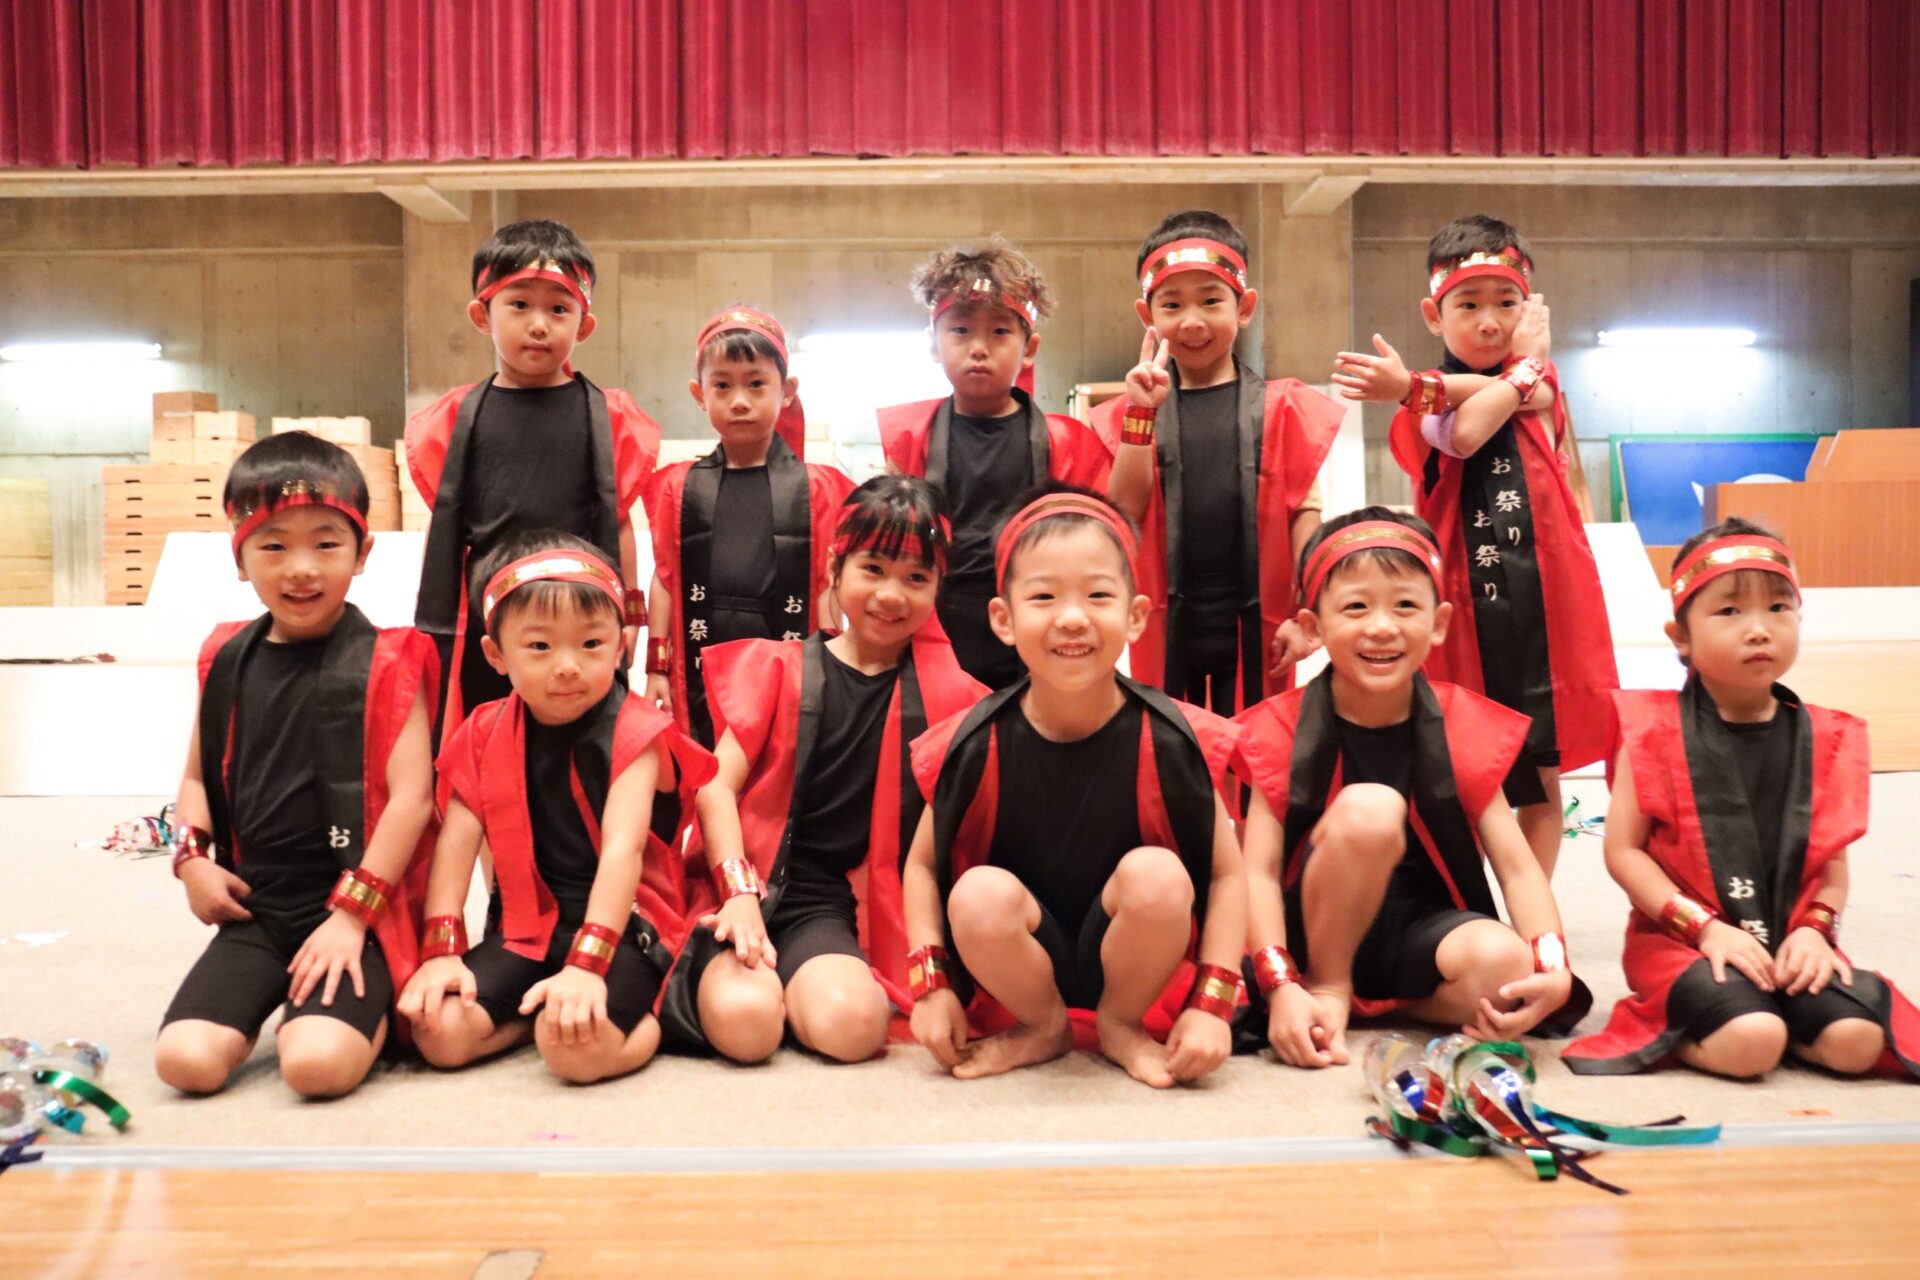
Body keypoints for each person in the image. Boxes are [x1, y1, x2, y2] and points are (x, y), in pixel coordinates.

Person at [902, 488, 1246, 1088]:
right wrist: (930, 985)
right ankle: (1042, 1026)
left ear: (1135, 616)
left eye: (1098, 595)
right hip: (1016, 966)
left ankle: (1119, 1023)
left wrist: (1212, 1003)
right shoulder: (971, 742)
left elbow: (1227, 874)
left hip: (1139, 960)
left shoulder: (1173, 739)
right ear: (1003, 619)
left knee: (1158, 876)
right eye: (1043, 596)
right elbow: (921, 867)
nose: (1071, 617)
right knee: (978, 894)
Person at [1233, 508, 1586, 1069]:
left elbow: (1518, 870)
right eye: (1356, 607)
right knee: (1371, 810)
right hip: (1311, 925)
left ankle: (1390, 1006)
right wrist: (1278, 984)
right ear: (1314, 626)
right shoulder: (1280, 727)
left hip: (1423, 926)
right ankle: (1327, 986)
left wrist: (1551, 966)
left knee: (1508, 967)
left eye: (1404, 605)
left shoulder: (1460, 722)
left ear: (1439, 622)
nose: (1382, 626)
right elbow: (1257, 872)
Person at [1565, 520, 1918, 1080]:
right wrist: (1704, 928)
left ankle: (1781, 1012)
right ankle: (1700, 1029)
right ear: (1680, 637)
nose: (1758, 629)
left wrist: (1814, 931)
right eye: (1729, 612)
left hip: (1791, 941)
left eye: (1778, 608)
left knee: (1857, 1041)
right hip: (1684, 944)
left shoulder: (1826, 736)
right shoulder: (1651, 729)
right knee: (1753, 1042)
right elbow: (1623, 852)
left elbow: (1832, 865)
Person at [660, 477, 988, 1063]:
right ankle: (748, 984)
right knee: (748, 1024)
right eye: (873, 569)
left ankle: (793, 984)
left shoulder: (957, 700)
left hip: (827, 905)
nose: (892, 594)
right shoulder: (778, 668)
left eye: (916, 578)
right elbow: (714, 788)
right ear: (835, 569)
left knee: (854, 1028)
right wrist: (737, 892)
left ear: (939, 587)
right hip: (745, 879)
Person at [155, 432, 439, 1099]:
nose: (301, 568)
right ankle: (287, 993)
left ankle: (336, 1011)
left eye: (326, 544)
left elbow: (413, 798)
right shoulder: (226, 657)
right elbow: (195, 778)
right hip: (257, 908)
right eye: (274, 546)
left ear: (363, 553)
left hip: (357, 908)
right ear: (240, 558)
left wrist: (352, 918)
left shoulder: (391, 659)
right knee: (185, 1062)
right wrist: (192, 860)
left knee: (316, 1067)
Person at [1332, 214, 1616, 876]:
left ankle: (1533, 909)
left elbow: (1531, 390)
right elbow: (1465, 432)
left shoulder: (1542, 387)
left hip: (1549, 611)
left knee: (1542, 780)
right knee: (1462, 773)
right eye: (1468, 306)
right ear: (1434, 315)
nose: (1489, 323)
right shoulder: (1433, 405)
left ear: (1530, 308)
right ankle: (1464, 905)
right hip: (1461, 614)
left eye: (1506, 304)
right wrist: (1514, 369)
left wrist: (1429, 381)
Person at [397, 531, 715, 1084]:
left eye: (591, 644)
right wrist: (442, 950)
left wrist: (588, 964)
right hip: (526, 926)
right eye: (540, 647)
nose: (567, 666)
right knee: (438, 1030)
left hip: (625, 925)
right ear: (496, 655)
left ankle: (653, 1018)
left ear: (619, 646)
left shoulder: (637, 730)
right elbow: (456, 843)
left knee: (570, 1050)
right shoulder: (483, 731)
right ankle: (539, 1013)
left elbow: (623, 850)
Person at [405, 219, 658, 749]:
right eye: (519, 305)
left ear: (584, 325)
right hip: (491, 619)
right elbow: (444, 528)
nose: (539, 325)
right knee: (489, 737)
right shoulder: (452, 420)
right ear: (482, 315)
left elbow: (618, 524)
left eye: (558, 309)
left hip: (581, 616)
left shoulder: (610, 418)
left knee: (586, 743)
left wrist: (630, 615)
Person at [1096, 209, 1345, 714]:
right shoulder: (1130, 410)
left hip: (1260, 619)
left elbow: (1305, 515)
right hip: (1165, 619)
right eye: (1172, 304)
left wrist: (1309, 607)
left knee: (1259, 743)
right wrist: (1141, 414)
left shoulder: (1284, 408)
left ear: (1244, 306)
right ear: (1147, 315)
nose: (1192, 321)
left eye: (1211, 300)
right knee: (1172, 740)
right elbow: (1123, 512)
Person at [879, 239, 1114, 688]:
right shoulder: (908, 438)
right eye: (961, 330)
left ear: (1030, 347)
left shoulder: (1070, 443)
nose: (979, 348)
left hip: (1037, 628)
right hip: (935, 629)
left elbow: (1100, 544)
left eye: (1000, 332)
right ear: (934, 344)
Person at [642, 306, 855, 747]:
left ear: (787, 391)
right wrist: (656, 667)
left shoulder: (821, 488)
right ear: (699, 394)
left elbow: (827, 585)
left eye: (756, 383)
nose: (739, 400)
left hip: (786, 650)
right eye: (722, 385)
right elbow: (664, 579)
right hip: (703, 651)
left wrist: (834, 663)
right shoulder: (676, 487)